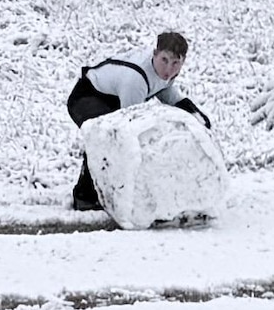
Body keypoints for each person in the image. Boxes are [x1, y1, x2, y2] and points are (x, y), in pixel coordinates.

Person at [66, 28, 201, 212]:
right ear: (155, 54)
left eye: (176, 63)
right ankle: (85, 197)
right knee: (106, 139)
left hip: (110, 98)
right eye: (165, 60)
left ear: (183, 62)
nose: (169, 69)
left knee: (112, 140)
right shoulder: (135, 80)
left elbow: (166, 92)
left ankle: (108, 191)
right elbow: (128, 127)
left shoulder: (163, 72)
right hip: (86, 97)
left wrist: (195, 116)